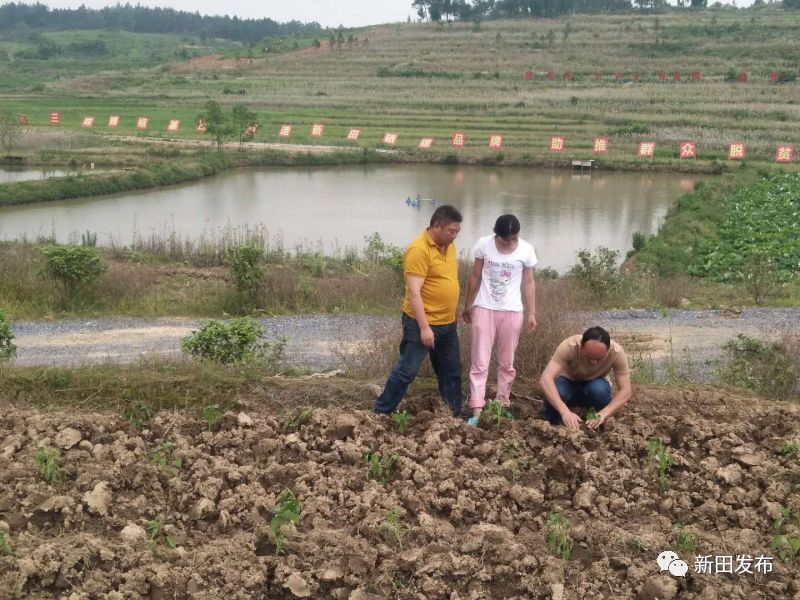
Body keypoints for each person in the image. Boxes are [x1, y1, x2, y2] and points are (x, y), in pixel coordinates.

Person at [374, 205, 464, 416]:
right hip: (420, 322)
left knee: (451, 371)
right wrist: (424, 328)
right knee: (407, 370)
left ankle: (453, 415)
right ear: (436, 226)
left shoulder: (449, 247)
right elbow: (414, 292)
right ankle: (380, 412)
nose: (455, 236)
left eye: (457, 232)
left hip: (447, 323)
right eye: (452, 231)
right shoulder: (419, 249)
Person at [462, 214, 537, 424]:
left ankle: (502, 403)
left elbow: (529, 282)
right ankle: (477, 407)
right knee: (480, 361)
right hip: (485, 307)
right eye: (505, 239)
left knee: (507, 362)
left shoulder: (526, 250)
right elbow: (475, 276)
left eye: (513, 238)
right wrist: (467, 304)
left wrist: (532, 313)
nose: (510, 243)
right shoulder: (484, 245)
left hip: (512, 311)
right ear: (497, 235)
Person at [539, 326, 631, 429]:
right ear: (581, 346)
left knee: (599, 390)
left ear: (608, 350)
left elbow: (626, 390)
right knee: (559, 390)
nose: (593, 362)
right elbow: (545, 378)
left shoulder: (617, 353)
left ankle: (597, 423)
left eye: (599, 358)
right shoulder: (570, 345)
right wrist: (564, 411)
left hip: (594, 387)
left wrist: (604, 413)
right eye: (589, 357)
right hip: (567, 383)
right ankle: (553, 424)